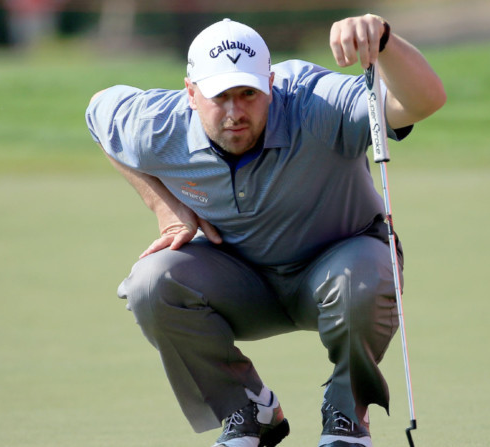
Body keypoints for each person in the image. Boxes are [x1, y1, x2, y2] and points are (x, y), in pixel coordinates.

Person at [85, 14, 445, 447]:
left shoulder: (315, 103)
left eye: (249, 94)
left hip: (337, 265)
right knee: (150, 283)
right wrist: (164, 205)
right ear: (191, 93)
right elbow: (98, 113)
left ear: (271, 84)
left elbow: (423, 102)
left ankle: (347, 414)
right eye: (221, 97)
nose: (236, 112)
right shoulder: (158, 125)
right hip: (242, 281)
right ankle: (248, 408)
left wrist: (384, 41)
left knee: (364, 275)